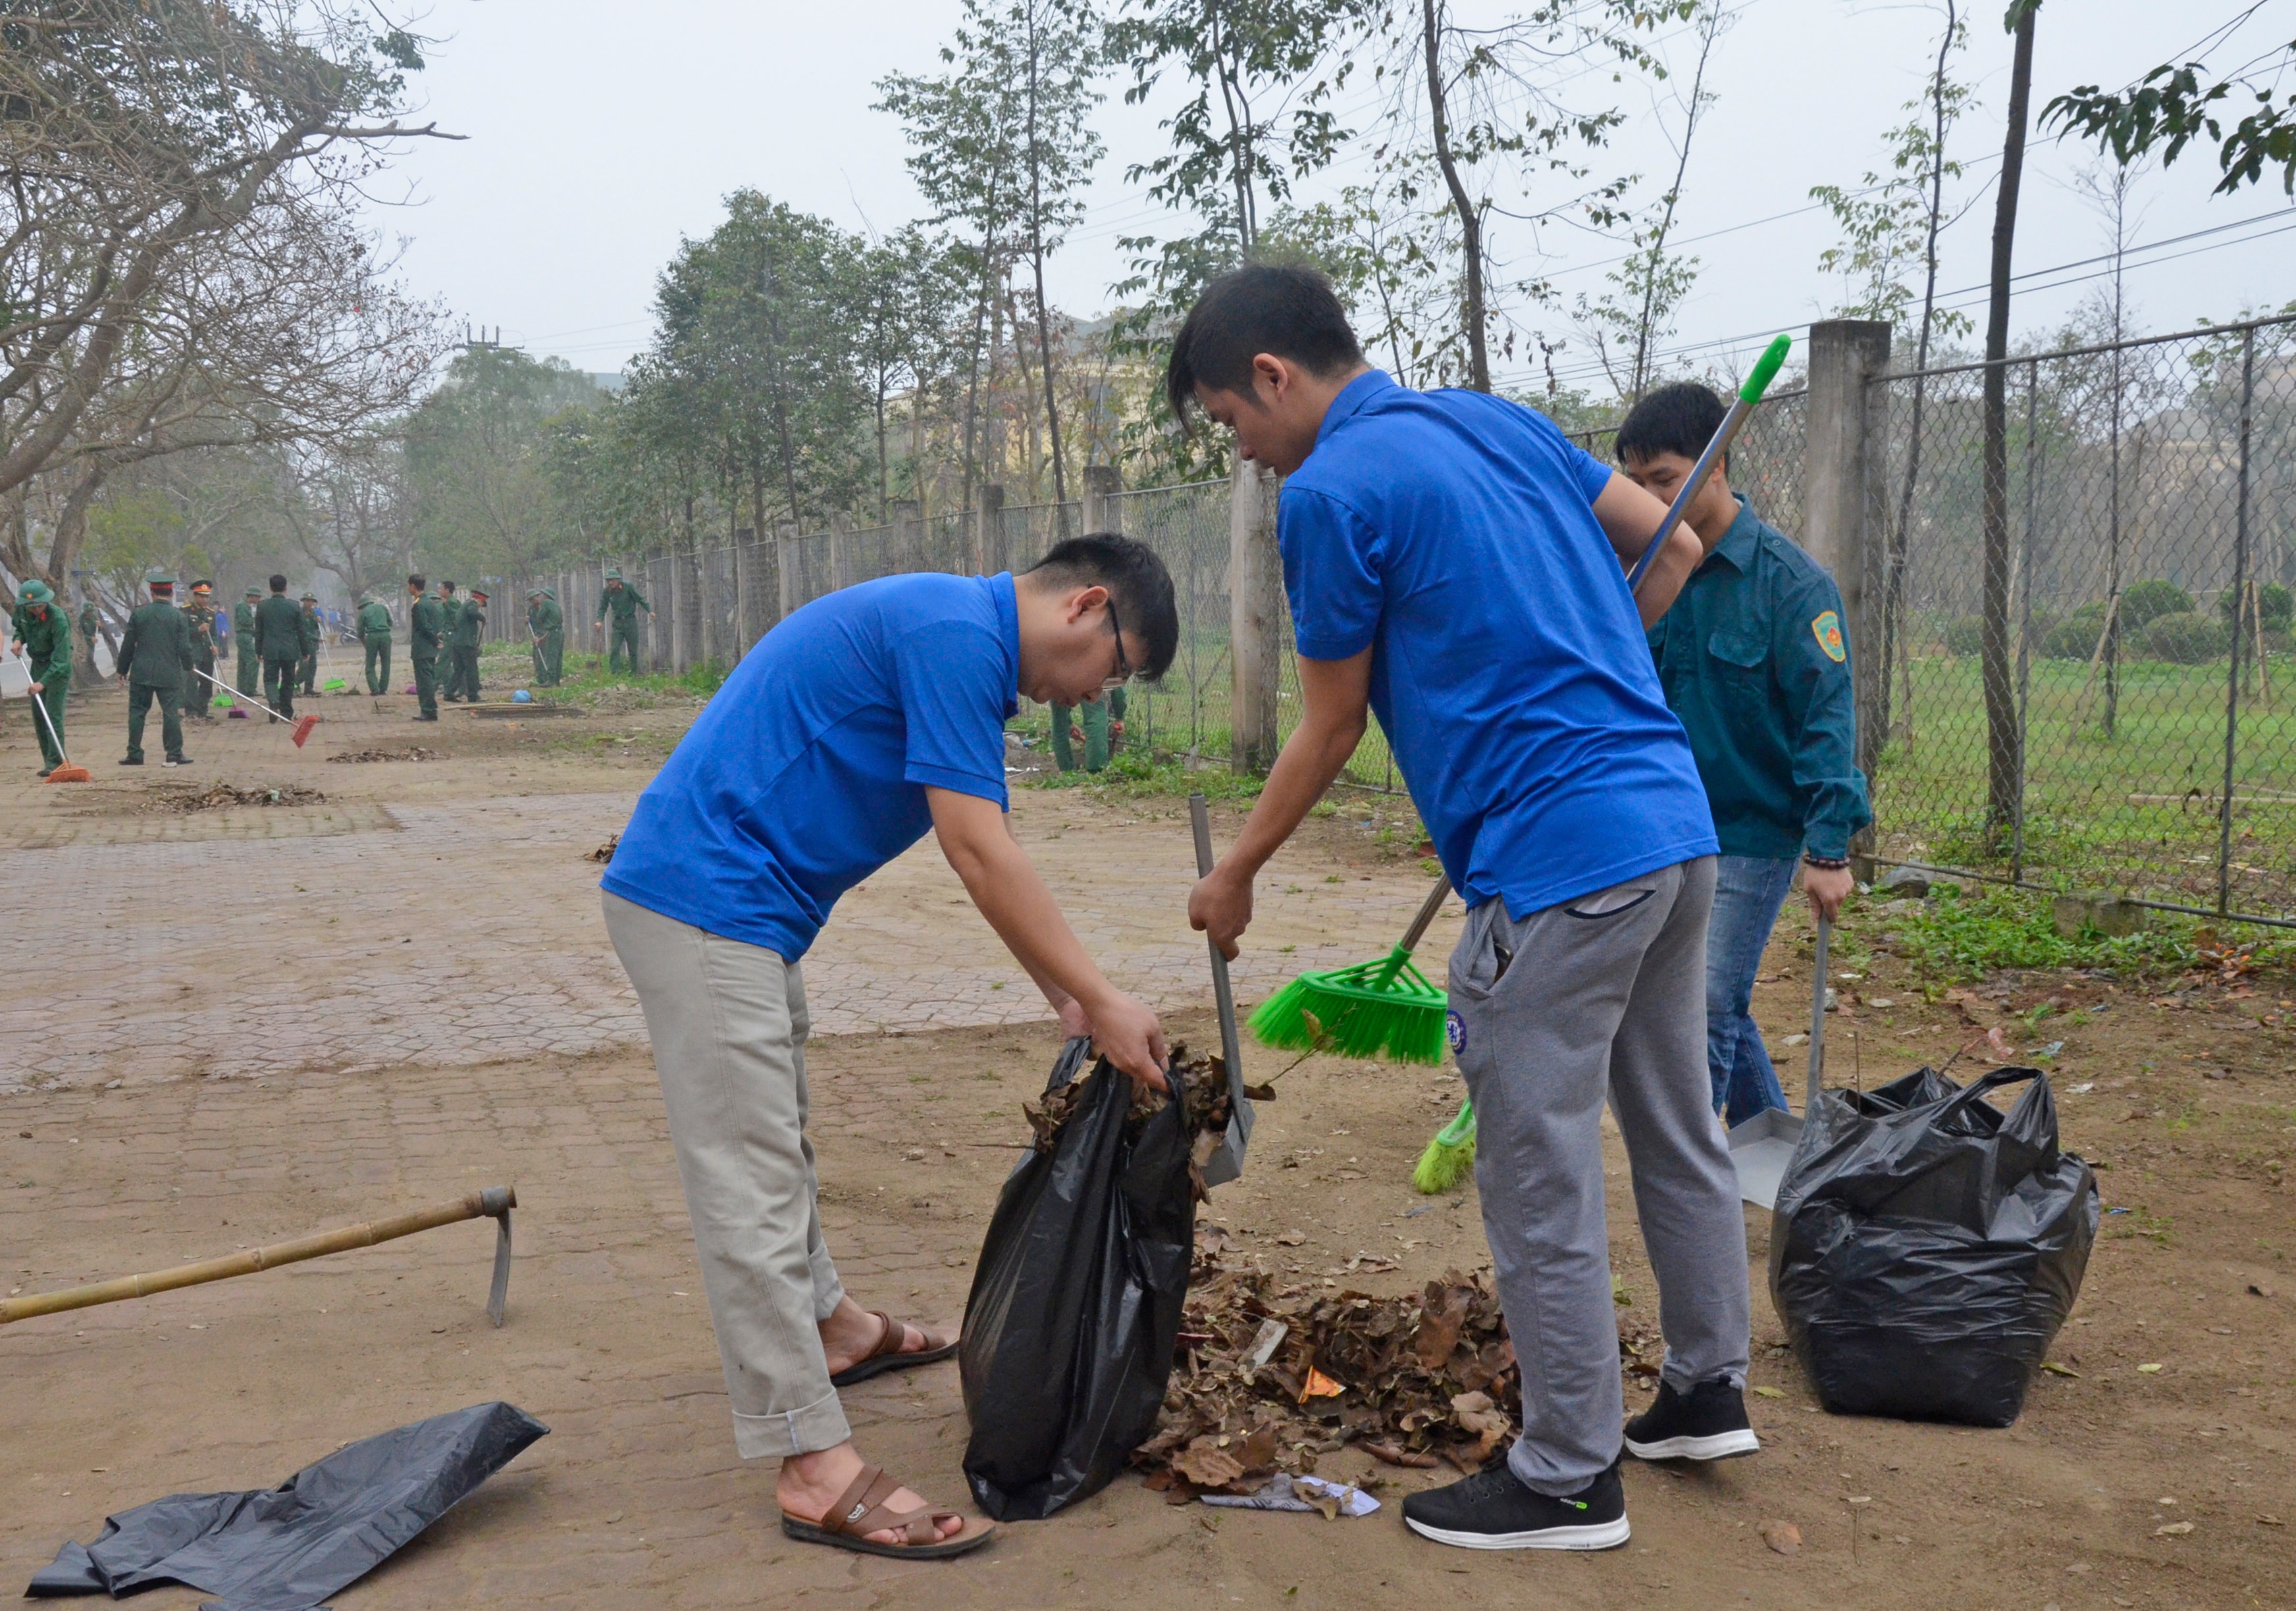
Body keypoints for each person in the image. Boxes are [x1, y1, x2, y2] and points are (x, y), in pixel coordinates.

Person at [1171, 266, 1750, 1552]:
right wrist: (1582, 659)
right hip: (1668, 819)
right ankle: (1706, 1389)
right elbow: (1677, 548)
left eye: (1231, 424)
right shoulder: (1496, 420)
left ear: (1272, 377)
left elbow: (1326, 726)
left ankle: (1564, 1478)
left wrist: (1236, 872)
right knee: (1671, 1123)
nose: (1248, 457)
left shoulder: (1331, 492)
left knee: (1536, 1170)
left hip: (1560, 865)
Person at [599, 533, 1177, 1562]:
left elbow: (981, 848)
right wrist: (1098, 991)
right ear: (1087, 607)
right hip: (703, 902)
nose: (1096, 697)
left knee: (776, 1137)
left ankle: (833, 1329)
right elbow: (977, 845)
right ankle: (807, 1460)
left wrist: (1067, 998)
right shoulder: (956, 636)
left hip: (746, 909)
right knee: (750, 1175)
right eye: (1115, 670)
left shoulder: (960, 634)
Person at [1620, 383, 1872, 1129]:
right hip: (1661, 826)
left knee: (1699, 1007)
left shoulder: (1790, 585)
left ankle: (1690, 1175)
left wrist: (1828, 848)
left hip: (1749, 832)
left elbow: (1827, 719)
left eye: (1664, 480)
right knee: (1696, 993)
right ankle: (1769, 1130)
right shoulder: (1638, 574)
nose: (1650, 501)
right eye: (1634, 486)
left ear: (1718, 463)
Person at [117, 571, 194, 766]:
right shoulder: (179, 617)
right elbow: (184, 648)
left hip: (141, 672)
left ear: (152, 592)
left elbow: (128, 645)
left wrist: (122, 670)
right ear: (170, 593)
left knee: (137, 712)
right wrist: (188, 666)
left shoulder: (139, 614)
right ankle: (174, 753)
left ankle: (134, 753)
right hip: (169, 673)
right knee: (171, 713)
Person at [11, 580, 71, 773]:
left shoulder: (58, 619)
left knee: (53, 715)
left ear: (46, 601)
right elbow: (20, 629)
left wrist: (43, 682)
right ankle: (49, 761)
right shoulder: (22, 611)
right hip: (37, 665)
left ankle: (58, 763)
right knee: (39, 716)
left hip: (57, 669)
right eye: (31, 606)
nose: (35, 609)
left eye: (39, 605)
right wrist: (18, 640)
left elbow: (61, 659)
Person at [254, 575, 307, 721]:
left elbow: (259, 631)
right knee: (288, 681)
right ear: (286, 588)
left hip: (270, 650)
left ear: (270, 588)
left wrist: (258, 651)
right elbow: (301, 632)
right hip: (289, 650)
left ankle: (274, 701)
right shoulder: (294, 606)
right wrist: (306, 651)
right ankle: (286, 712)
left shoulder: (263, 606)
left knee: (270, 680)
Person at [1049, 684, 1125, 773]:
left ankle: (1066, 772)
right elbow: (1119, 682)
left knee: (1059, 718)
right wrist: (1119, 717)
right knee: (1094, 712)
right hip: (1086, 676)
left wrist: (1069, 723)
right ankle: (1096, 771)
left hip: (1055, 676)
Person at [596, 567, 650, 675]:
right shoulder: (607, 592)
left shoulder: (628, 587)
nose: (610, 582)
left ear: (618, 579)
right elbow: (602, 607)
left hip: (630, 622)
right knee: (615, 648)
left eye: (612, 580)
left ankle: (635, 673)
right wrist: (600, 620)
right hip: (618, 623)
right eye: (608, 580)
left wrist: (649, 610)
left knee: (633, 650)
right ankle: (615, 672)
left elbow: (640, 599)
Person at [180, 580, 221, 721]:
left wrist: (215, 645)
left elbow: (214, 634)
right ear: (195, 596)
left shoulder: (210, 613)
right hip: (193, 652)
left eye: (207, 597)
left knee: (207, 683)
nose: (205, 600)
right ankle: (191, 711)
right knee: (191, 683)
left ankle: (203, 710)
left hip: (207, 654)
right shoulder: (185, 611)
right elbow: (182, 633)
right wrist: (198, 630)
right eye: (202, 597)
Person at [408, 573, 444, 721]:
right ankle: (429, 709)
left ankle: (428, 710)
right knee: (428, 678)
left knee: (424, 682)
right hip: (429, 648)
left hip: (422, 648)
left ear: (413, 586)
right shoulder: (429, 602)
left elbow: (424, 627)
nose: (408, 588)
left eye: (409, 585)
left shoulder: (419, 605)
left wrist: (435, 641)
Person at [452, 587, 487, 702]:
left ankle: (449, 692)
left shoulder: (464, 605)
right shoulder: (472, 604)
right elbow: (473, 613)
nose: (480, 607)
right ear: (479, 600)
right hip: (467, 643)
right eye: (482, 604)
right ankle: (473, 695)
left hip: (458, 642)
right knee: (472, 670)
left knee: (459, 670)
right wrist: (482, 618)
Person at [357, 594, 394, 695]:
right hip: (386, 636)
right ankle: (383, 689)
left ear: (362, 606)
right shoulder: (382, 607)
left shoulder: (364, 613)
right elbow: (390, 622)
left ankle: (374, 689)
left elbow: (360, 633)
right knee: (386, 663)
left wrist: (365, 645)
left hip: (372, 637)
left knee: (370, 665)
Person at [527, 587, 564, 687]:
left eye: (542, 595)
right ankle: (556, 681)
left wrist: (542, 637)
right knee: (558, 657)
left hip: (551, 633)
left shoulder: (546, 604)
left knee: (551, 657)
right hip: (559, 632)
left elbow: (540, 617)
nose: (541, 596)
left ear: (546, 596)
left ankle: (551, 680)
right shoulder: (556, 605)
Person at [232, 587, 261, 707]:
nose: (259, 599)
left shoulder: (251, 607)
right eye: (257, 597)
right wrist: (255, 618)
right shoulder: (243, 606)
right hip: (244, 635)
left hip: (249, 634)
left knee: (243, 663)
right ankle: (250, 688)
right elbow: (244, 620)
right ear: (252, 597)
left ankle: (242, 689)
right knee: (253, 660)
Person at [436, 582, 463, 701]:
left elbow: (457, 620)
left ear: (447, 590)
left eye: (441, 589)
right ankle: (452, 689)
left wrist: (449, 632)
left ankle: (430, 687)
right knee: (451, 665)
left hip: (452, 636)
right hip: (449, 634)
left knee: (442, 663)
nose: (439, 591)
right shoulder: (447, 602)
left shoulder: (452, 603)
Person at [297, 592, 323, 695]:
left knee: (312, 666)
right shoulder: (299, 613)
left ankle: (309, 689)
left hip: (312, 644)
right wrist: (316, 638)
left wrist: (318, 621)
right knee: (304, 667)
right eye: (307, 601)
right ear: (303, 601)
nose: (309, 603)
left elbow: (315, 628)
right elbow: (302, 631)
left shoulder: (313, 612)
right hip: (303, 643)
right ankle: (294, 685)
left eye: (311, 601)